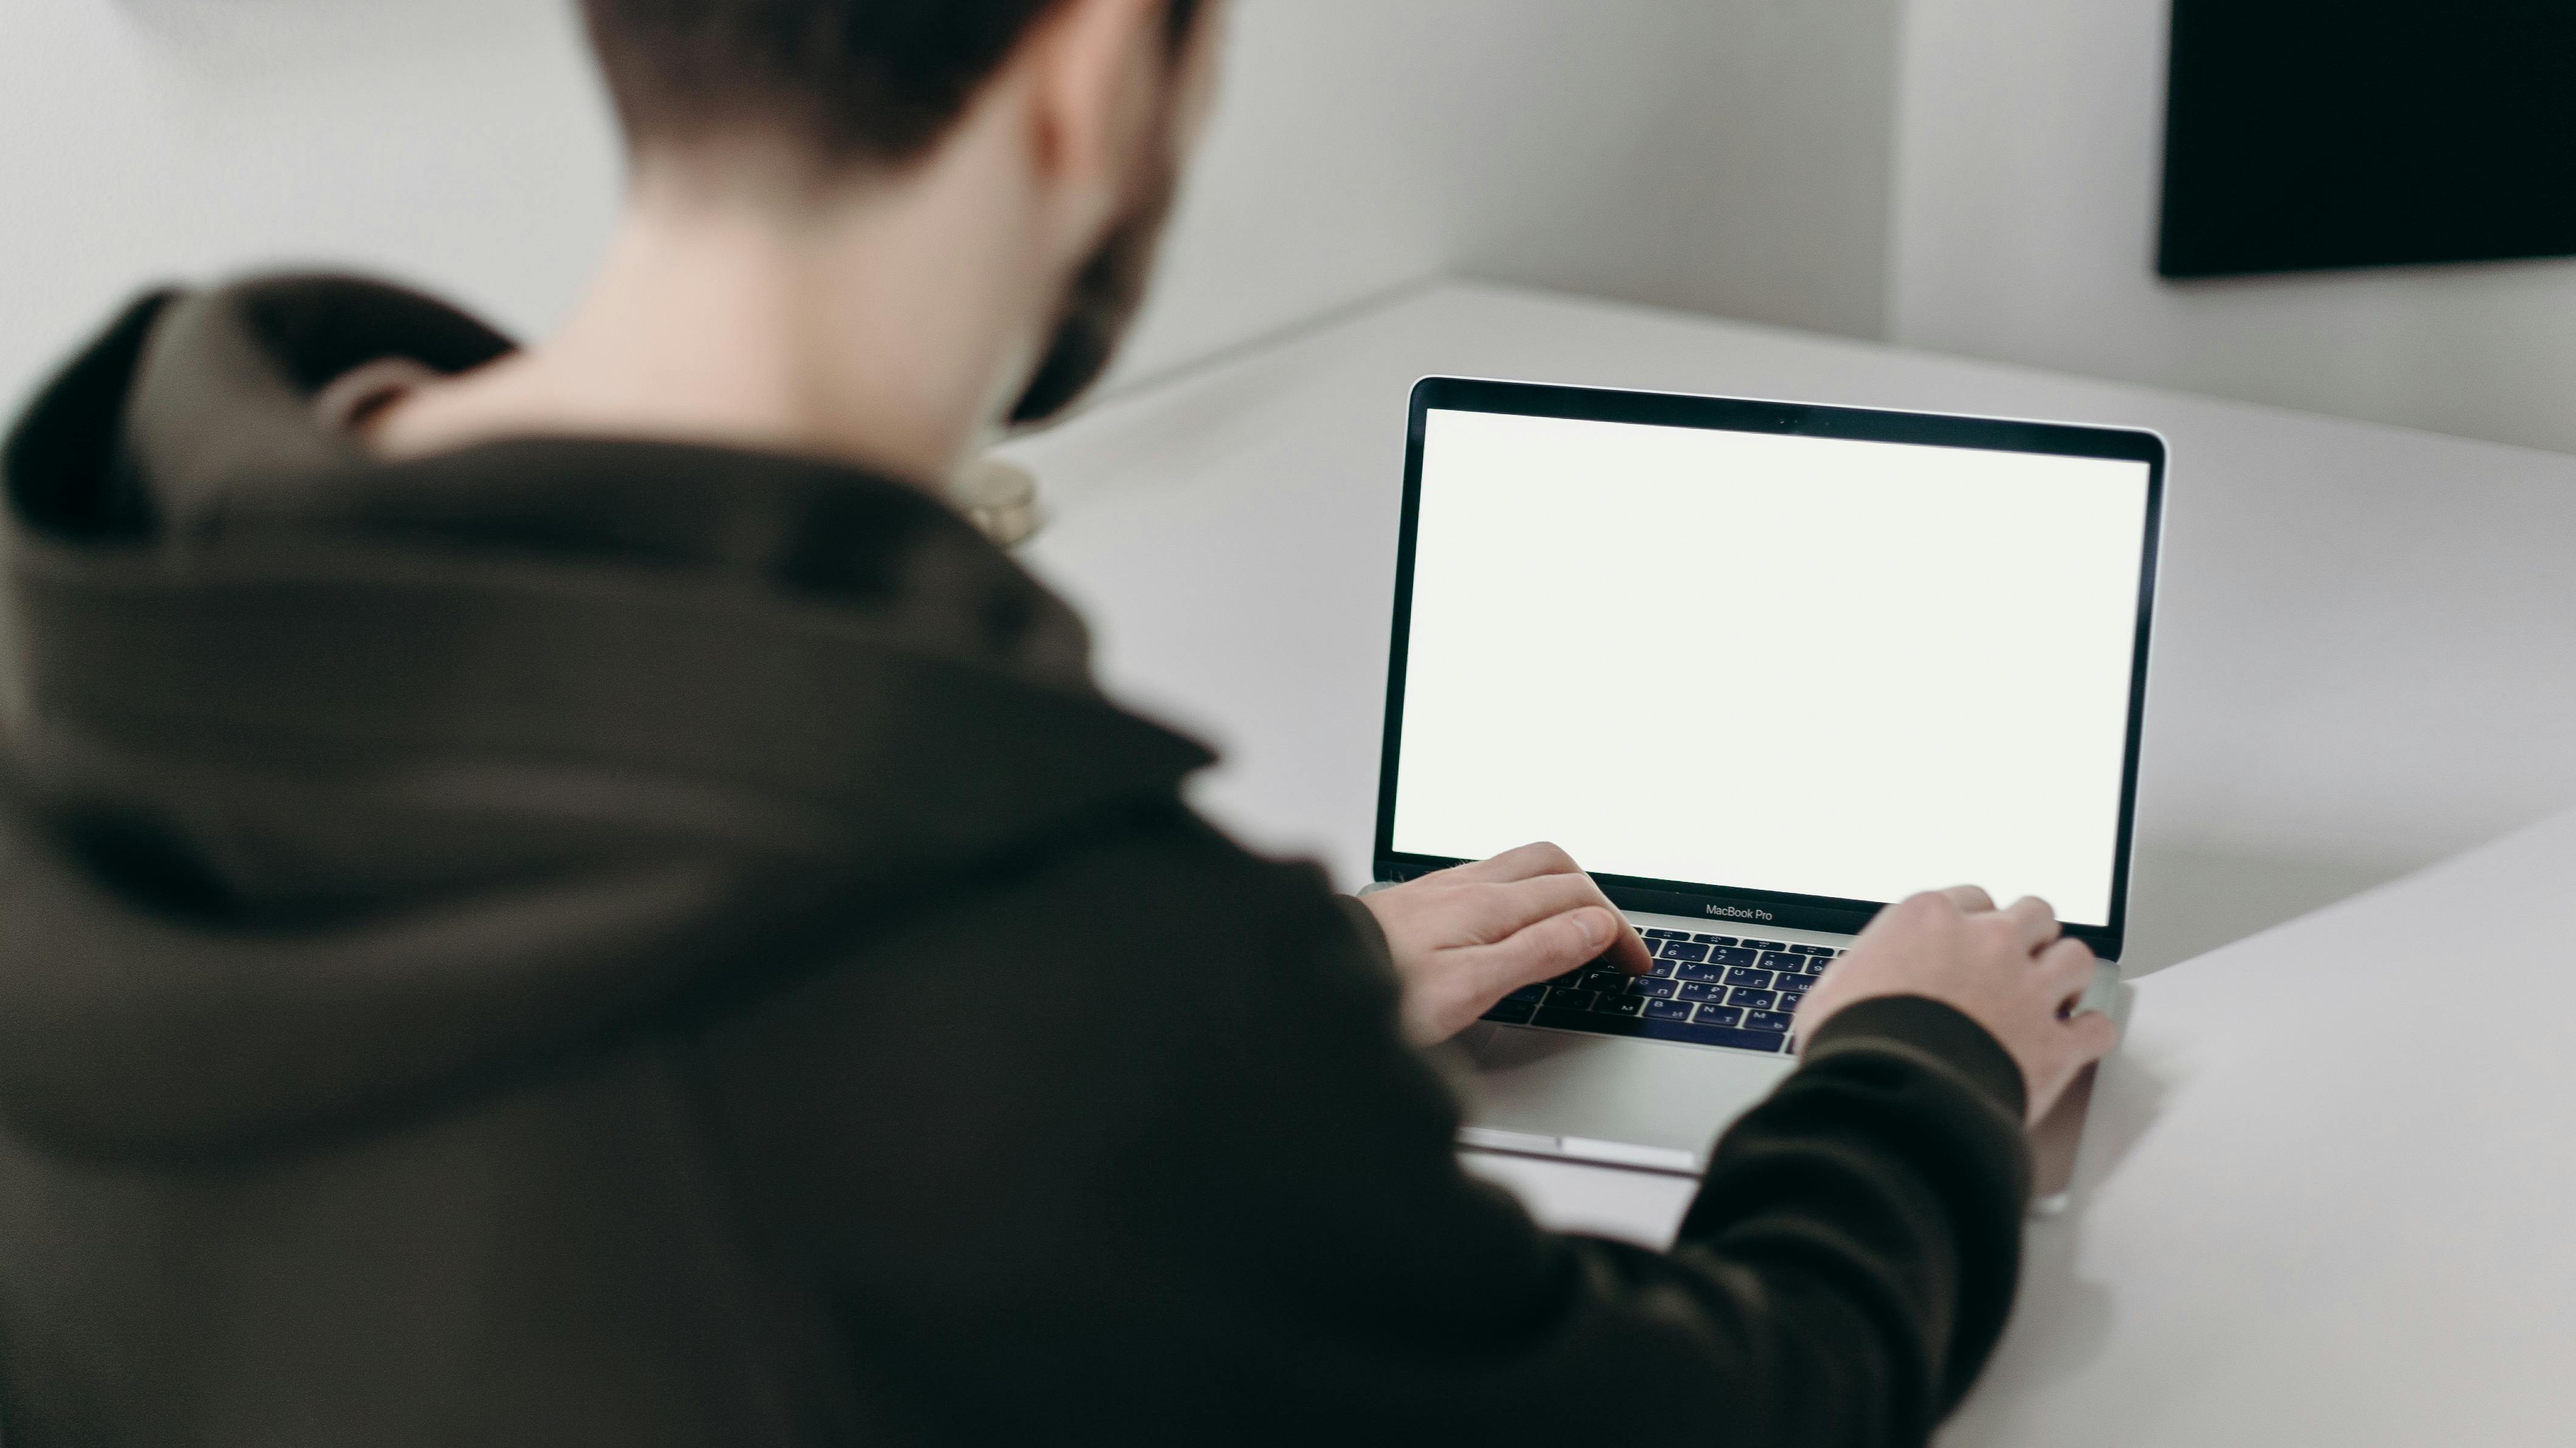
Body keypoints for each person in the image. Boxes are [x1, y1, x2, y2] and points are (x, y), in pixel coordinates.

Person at [0, 1, 2117, 1443]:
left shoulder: (95, 609)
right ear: (1101, 72)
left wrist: (1241, 1044)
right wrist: (1911, 1066)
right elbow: (1712, 1411)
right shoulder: (1038, 986)